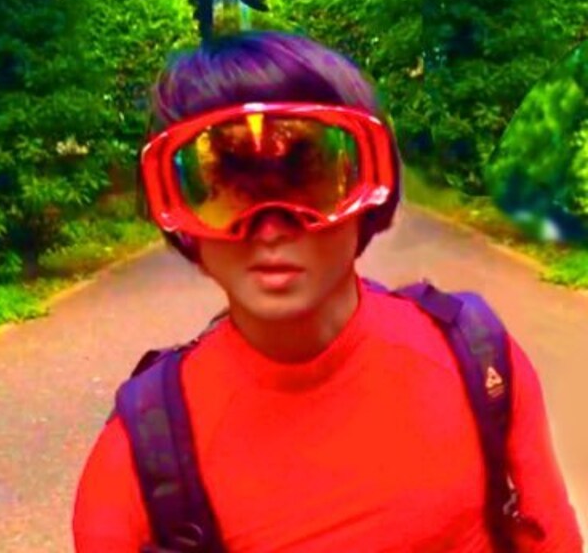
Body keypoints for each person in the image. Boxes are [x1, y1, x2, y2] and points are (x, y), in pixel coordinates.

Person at [72, 31, 584, 552]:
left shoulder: (479, 360)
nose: (271, 226)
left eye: (307, 177)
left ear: (370, 190)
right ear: (181, 216)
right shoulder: (133, 467)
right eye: (228, 188)